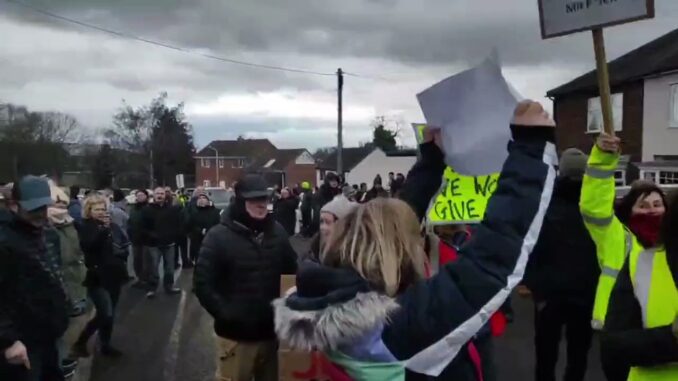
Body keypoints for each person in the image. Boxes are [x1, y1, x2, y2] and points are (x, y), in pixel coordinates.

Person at [273, 100, 558, 380]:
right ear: (396, 253)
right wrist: (531, 148)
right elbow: (492, 258)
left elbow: (393, 224)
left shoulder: (329, 303)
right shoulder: (404, 327)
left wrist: (432, 160)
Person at [580, 133, 675, 381]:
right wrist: (602, 159)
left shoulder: (672, 240)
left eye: (657, 204)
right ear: (629, 210)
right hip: (621, 330)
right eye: (644, 206)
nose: (652, 210)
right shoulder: (616, 236)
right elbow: (594, 206)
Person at [194, 174, 298, 381]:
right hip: (236, 338)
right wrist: (227, 314)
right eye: (254, 200)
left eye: (264, 199)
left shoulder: (277, 232)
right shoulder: (217, 237)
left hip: (271, 334)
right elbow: (203, 283)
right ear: (241, 202)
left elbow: (292, 272)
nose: (261, 205)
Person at [524, 148, 599, 381]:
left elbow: (530, 246)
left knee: (546, 355)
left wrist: (533, 285)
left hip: (549, 295)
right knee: (578, 355)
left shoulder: (544, 203)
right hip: (585, 293)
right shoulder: (597, 205)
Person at [0, 176, 70, 381]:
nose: (40, 213)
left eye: (43, 207)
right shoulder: (4, 241)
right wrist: (8, 341)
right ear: (14, 206)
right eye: (33, 208)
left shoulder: (49, 234)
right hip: (21, 342)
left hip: (49, 334)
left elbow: (54, 276)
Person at [71, 194, 129, 359]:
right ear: (89, 211)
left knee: (111, 314)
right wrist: (104, 230)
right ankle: (80, 343)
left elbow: (120, 243)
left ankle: (105, 344)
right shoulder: (85, 226)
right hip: (97, 276)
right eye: (97, 209)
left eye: (103, 209)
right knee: (105, 313)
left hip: (114, 273)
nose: (101, 212)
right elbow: (89, 246)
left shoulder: (110, 225)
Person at [47, 181, 88, 376]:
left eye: (63, 204)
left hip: (74, 283)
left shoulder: (70, 223)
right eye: (55, 204)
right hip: (55, 288)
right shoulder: (44, 228)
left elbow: (77, 252)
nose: (60, 208)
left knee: (65, 328)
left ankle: (60, 363)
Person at [142, 187, 183, 298]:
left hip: (169, 243)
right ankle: (152, 288)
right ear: (153, 196)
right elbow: (142, 227)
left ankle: (169, 286)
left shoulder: (171, 209)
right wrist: (152, 235)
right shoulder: (147, 210)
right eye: (157, 193)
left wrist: (174, 235)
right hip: (153, 244)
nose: (160, 195)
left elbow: (177, 224)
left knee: (169, 267)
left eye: (162, 193)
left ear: (165, 195)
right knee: (154, 267)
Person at [306, 194, 358, 262]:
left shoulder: (350, 252)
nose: (323, 227)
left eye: (328, 222)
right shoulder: (316, 243)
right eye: (321, 221)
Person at [184, 193, 220, 267]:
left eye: (203, 198)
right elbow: (190, 226)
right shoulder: (194, 213)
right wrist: (200, 231)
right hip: (198, 242)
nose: (201, 199)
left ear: (208, 200)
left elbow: (218, 224)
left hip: (212, 242)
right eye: (199, 198)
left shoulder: (215, 212)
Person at [128, 190, 149, 288]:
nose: (140, 197)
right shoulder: (133, 209)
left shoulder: (149, 208)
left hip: (147, 240)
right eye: (138, 195)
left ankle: (146, 279)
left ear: (146, 196)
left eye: (142, 195)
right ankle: (140, 278)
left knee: (146, 261)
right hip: (135, 239)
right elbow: (130, 222)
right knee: (136, 260)